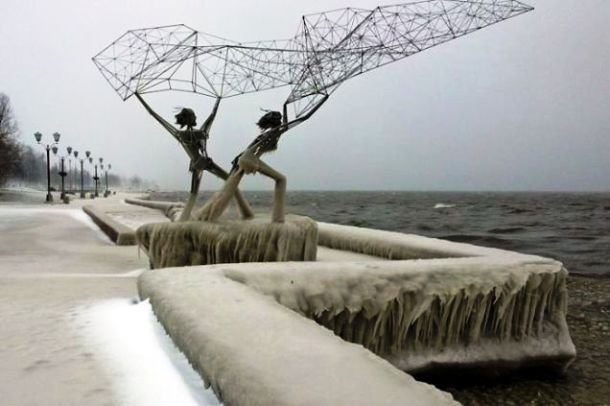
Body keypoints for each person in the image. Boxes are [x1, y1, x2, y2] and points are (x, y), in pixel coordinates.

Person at [196, 93, 329, 223]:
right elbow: (303, 118)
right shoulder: (275, 131)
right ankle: (278, 218)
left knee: (228, 189)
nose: (282, 121)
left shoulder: (270, 133)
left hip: (244, 158)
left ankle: (209, 216)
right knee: (281, 179)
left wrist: (285, 106)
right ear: (277, 122)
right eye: (280, 119)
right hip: (249, 159)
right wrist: (322, 101)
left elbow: (247, 150)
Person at [134, 92, 253, 221]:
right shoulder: (197, 132)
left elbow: (156, 116)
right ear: (190, 118)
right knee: (230, 180)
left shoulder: (181, 134)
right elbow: (211, 116)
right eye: (194, 115)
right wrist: (218, 100)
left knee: (194, 194)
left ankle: (183, 220)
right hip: (204, 162)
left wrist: (138, 97)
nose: (196, 117)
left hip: (196, 164)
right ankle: (244, 212)